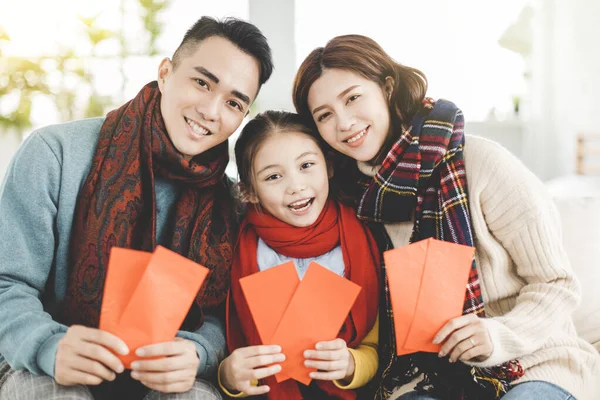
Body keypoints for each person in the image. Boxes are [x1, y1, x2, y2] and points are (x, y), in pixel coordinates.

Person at [292, 34, 600, 400]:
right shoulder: (349, 198)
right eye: (325, 115)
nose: (344, 123)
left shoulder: (480, 162)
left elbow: (557, 283)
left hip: (532, 361)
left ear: (387, 88)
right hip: (426, 375)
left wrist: (496, 335)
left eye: (353, 98)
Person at [0, 16, 273, 400]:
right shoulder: (54, 154)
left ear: (241, 117)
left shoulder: (229, 202)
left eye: (232, 102)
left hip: (163, 373)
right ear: (165, 73)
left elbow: (219, 314)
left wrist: (198, 352)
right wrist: (48, 345)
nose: (211, 110)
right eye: (201, 82)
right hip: (46, 360)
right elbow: (7, 282)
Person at [218, 110, 380, 399]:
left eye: (306, 165)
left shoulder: (361, 240)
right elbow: (233, 351)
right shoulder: (238, 250)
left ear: (328, 166)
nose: (296, 186)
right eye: (273, 176)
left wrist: (352, 365)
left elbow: (378, 346)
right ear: (250, 192)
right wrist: (229, 374)